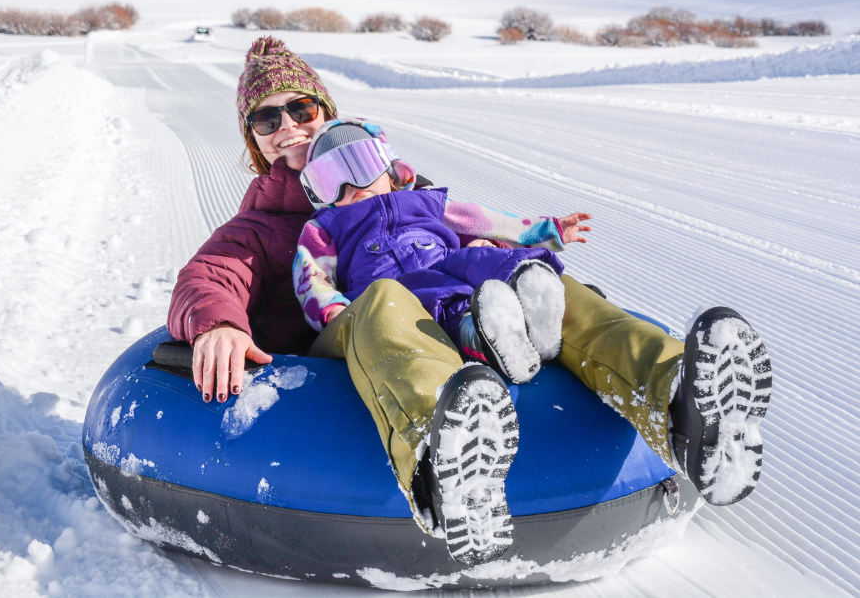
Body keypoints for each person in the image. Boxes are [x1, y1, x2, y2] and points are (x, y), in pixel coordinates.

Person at [167, 36, 772, 567]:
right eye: (266, 121)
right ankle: (445, 460)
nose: (287, 128)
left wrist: (496, 251)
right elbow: (209, 275)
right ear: (254, 143)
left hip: (458, 319)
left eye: (299, 109)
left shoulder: (405, 189)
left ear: (327, 113)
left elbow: (475, 226)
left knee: (542, 282)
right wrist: (215, 323)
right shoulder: (264, 227)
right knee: (382, 297)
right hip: (351, 347)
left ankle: (683, 405)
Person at [293, 117, 593, 385]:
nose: (351, 185)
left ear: (391, 169)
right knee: (441, 301)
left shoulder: (424, 201)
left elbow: (485, 221)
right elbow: (310, 273)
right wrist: (330, 307)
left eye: (361, 166)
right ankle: (486, 336)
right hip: (393, 296)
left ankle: (533, 290)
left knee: (476, 256)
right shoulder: (327, 225)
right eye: (331, 181)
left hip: (446, 264)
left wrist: (548, 231)